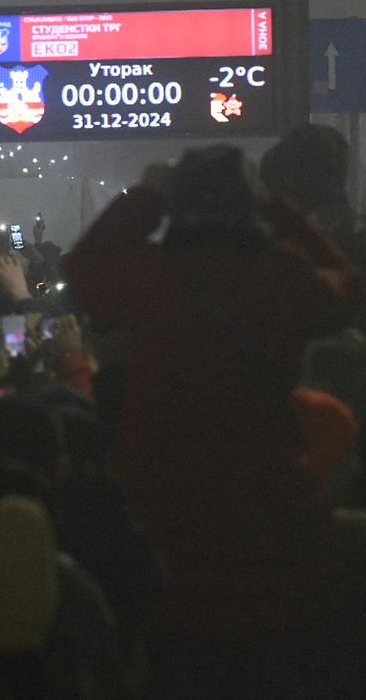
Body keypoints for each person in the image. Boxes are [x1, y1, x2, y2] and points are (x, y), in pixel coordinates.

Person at [65, 146, 361, 697]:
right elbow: (347, 285)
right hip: (277, 545)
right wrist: (281, 211)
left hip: (169, 551)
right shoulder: (284, 278)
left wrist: (145, 198)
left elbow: (81, 271)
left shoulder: (151, 277)